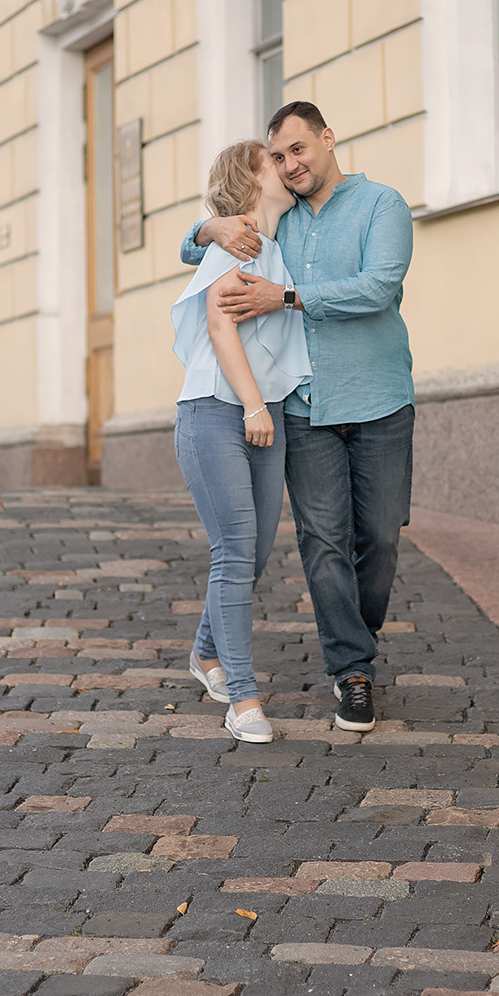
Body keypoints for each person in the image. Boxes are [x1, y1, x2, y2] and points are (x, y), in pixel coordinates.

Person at [181, 103, 414, 734]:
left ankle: (348, 636)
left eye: (297, 150)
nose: (290, 165)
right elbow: (199, 250)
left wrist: (285, 297)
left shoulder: (380, 205)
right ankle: (352, 670)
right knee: (322, 541)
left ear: (327, 139)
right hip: (302, 408)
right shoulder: (269, 228)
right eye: (278, 157)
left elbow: (380, 286)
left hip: (378, 397)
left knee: (381, 539)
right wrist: (209, 230)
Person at [171, 139, 310, 745]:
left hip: (263, 411)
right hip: (217, 411)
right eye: (272, 161)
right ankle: (244, 698)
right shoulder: (240, 241)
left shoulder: (275, 243)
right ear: (250, 178)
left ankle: (204, 654)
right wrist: (255, 404)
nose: (286, 168)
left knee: (252, 554)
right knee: (234, 550)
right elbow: (220, 324)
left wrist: (266, 406)